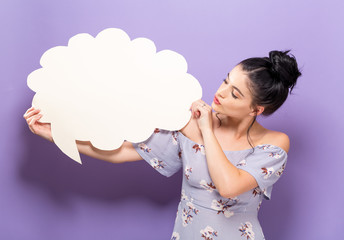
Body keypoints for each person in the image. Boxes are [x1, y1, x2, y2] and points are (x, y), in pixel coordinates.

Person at [24, 49, 302, 240]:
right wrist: (56, 134)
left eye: (235, 94)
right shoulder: (186, 123)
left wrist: (206, 129)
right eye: (225, 81)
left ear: (256, 109)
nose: (220, 93)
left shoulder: (274, 144)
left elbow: (229, 186)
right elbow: (121, 152)